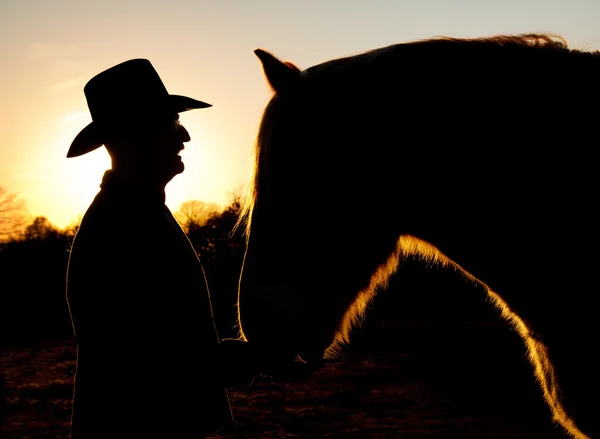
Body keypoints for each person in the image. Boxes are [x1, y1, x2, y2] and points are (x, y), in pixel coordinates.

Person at [65, 58, 255, 439]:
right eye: (171, 123)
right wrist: (249, 357)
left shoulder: (137, 213)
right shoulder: (122, 226)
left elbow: (160, 340)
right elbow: (139, 361)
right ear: (129, 137)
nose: (183, 137)